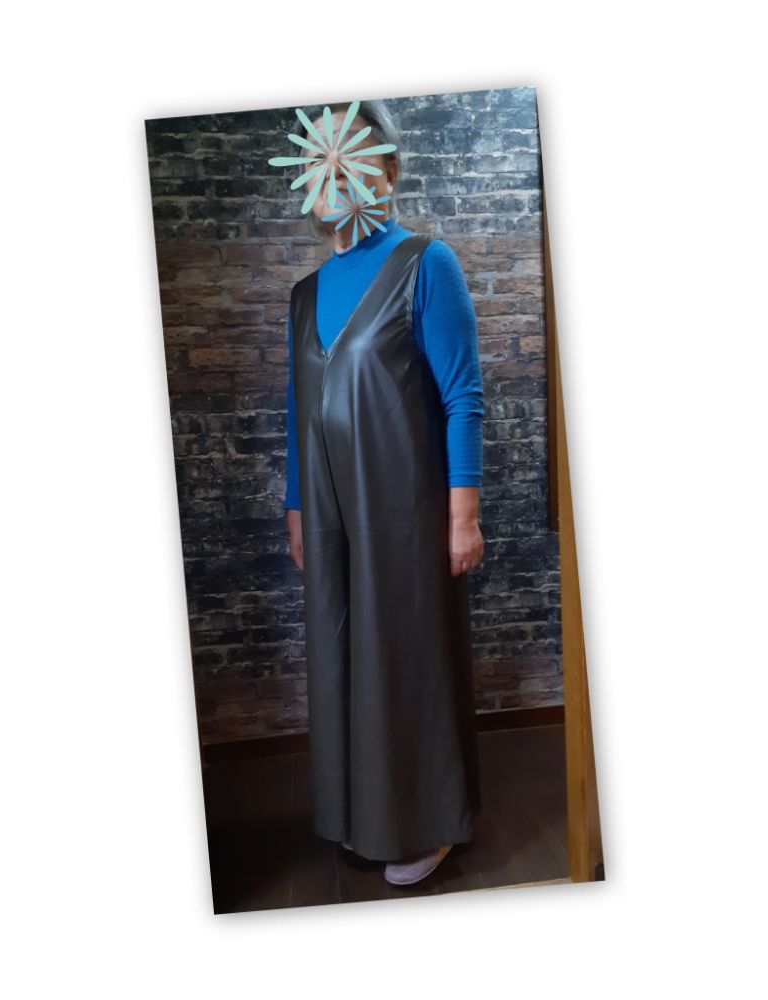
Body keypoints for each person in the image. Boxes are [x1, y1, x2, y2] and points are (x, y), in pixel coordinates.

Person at [281, 101, 485, 886]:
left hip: (404, 511)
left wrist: (462, 516)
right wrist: (297, 507)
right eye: (320, 162)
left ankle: (427, 821)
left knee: (406, 657)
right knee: (342, 656)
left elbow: (462, 395)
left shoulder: (426, 264)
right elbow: (298, 410)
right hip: (330, 511)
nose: (334, 176)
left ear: (388, 171)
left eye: (352, 157)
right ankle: (359, 814)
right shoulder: (306, 295)